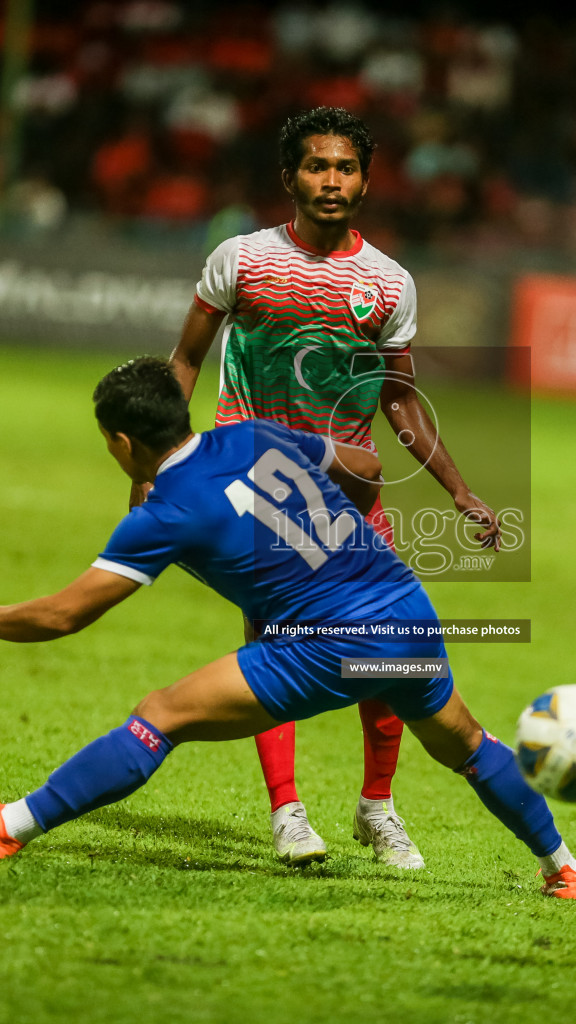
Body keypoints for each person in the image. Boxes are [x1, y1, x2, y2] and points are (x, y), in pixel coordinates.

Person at [0, 358, 576, 900]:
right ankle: (564, 867)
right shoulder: (249, 436)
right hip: (404, 609)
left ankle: (6, 826)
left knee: (160, 715)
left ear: (122, 441)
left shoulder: (163, 514)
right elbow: (370, 466)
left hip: (333, 645)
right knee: (466, 744)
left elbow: (64, 614)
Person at [162, 106, 502, 870]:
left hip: (349, 493)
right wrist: (162, 460)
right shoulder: (242, 260)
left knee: (388, 655)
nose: (332, 181)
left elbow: (400, 397)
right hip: (251, 487)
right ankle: (287, 813)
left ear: (367, 181)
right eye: (317, 167)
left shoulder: (387, 282)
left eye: (346, 168)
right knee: (270, 648)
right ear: (290, 178)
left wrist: (459, 490)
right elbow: (184, 360)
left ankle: (376, 807)